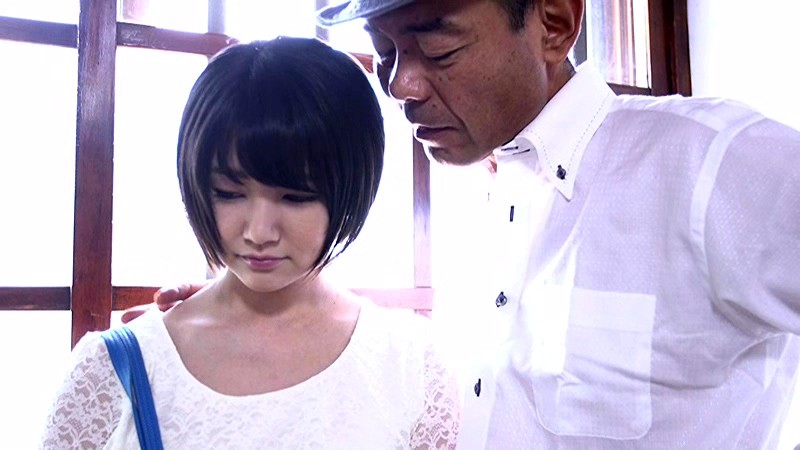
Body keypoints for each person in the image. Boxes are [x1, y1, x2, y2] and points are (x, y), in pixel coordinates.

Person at [138, 0, 800, 448]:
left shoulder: (711, 163)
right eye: (385, 53)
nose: (401, 86)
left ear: (554, 23)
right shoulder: (476, 197)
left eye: (438, 49)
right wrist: (265, 320)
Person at [41, 37, 460, 449]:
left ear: (352, 187)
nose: (259, 233)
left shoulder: (410, 367)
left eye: (294, 197)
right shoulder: (111, 372)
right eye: (229, 193)